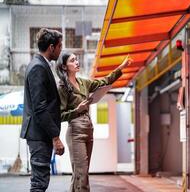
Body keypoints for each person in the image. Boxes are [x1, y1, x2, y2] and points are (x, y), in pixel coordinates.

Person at [56, 52, 131, 192]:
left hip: (88, 129)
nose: (77, 62)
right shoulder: (62, 87)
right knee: (82, 175)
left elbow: (105, 81)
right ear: (65, 67)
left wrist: (121, 67)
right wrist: (77, 110)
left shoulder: (84, 82)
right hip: (75, 131)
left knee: (79, 175)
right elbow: (59, 116)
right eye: (72, 60)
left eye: (76, 59)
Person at [20, 28, 65, 192]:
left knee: (40, 181)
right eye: (60, 46)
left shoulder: (40, 65)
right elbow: (40, 107)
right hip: (39, 135)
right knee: (39, 183)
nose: (61, 50)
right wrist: (55, 137)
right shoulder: (38, 67)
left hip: (39, 133)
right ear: (51, 47)